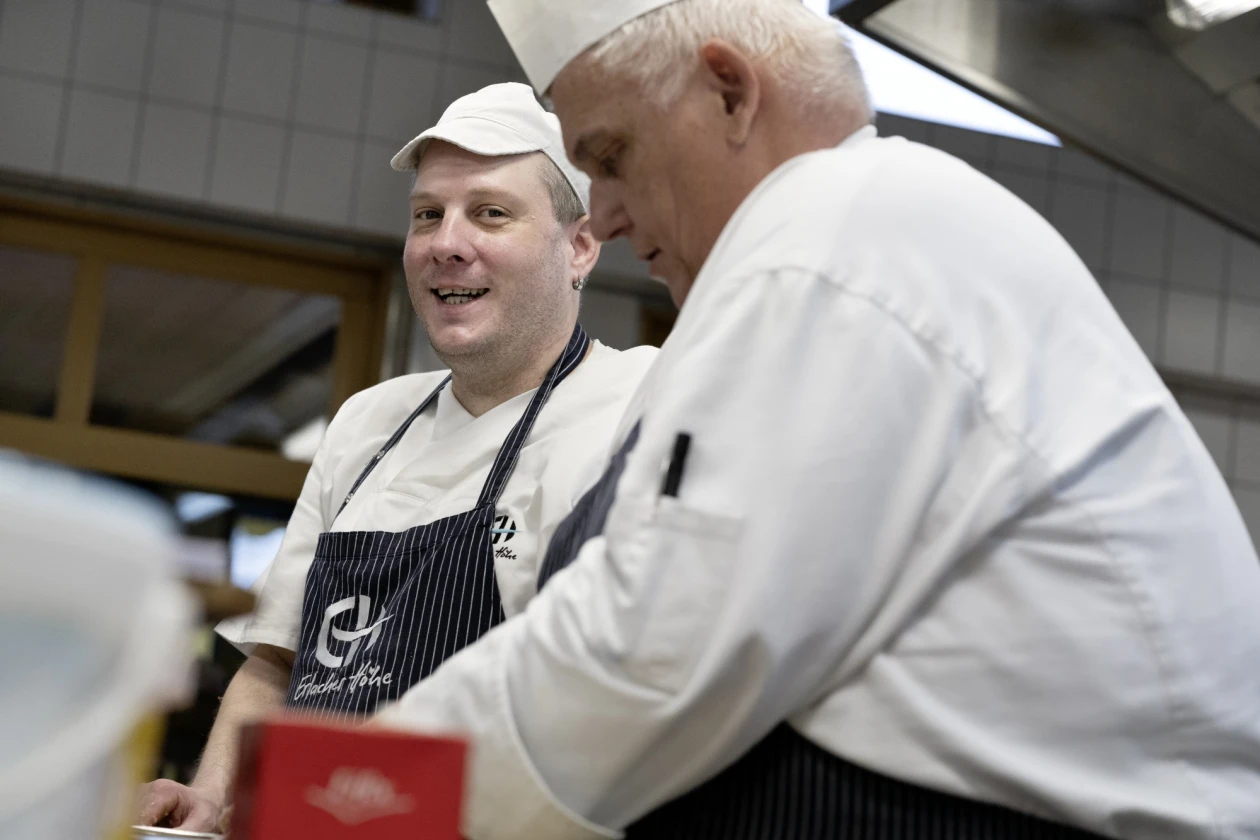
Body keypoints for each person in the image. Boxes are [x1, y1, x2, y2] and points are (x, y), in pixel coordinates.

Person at [372, 1, 1260, 838]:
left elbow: (659, 645)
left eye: (611, 156)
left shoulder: (839, 241)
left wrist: (355, 793)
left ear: (729, 93)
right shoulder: (818, 247)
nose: (602, 210)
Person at [135, 82, 657, 832]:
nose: (446, 241)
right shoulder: (367, 423)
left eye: (490, 212)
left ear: (578, 248)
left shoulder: (634, 400)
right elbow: (276, 663)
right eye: (426, 216)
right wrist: (215, 803)